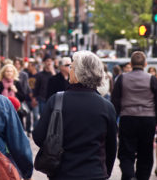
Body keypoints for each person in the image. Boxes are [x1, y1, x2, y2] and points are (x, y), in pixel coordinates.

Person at [33, 50, 117, 179]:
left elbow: (39, 136)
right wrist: (105, 172)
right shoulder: (107, 107)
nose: (69, 70)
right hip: (95, 173)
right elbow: (111, 147)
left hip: (62, 172)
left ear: (78, 73)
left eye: (71, 67)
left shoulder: (56, 101)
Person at [111, 51, 157, 180]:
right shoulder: (153, 80)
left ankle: (129, 175)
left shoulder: (122, 79)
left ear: (131, 64)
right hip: (148, 121)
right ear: (145, 64)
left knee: (126, 153)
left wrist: (113, 124)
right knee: (146, 153)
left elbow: (115, 103)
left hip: (128, 119)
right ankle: (142, 177)